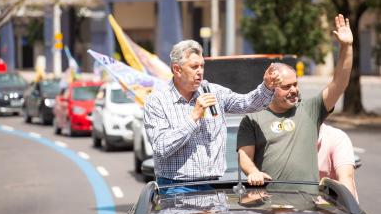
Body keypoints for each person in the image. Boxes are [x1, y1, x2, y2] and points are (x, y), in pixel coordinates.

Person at [143, 39, 282, 194]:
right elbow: (161, 147)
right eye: (194, 67)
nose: (200, 72)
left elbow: (247, 104)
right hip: (175, 187)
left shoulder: (213, 92)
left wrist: (267, 87)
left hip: (215, 185)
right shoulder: (157, 101)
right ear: (177, 69)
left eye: (202, 66)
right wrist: (193, 117)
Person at [237, 14, 353, 190]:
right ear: (272, 87)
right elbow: (245, 156)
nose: (293, 90)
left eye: (295, 84)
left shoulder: (310, 109)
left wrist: (346, 47)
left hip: (307, 208)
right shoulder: (252, 118)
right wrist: (253, 172)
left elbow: (339, 83)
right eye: (286, 86)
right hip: (269, 209)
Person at [318, 123, 358, 201]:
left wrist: (347, 212)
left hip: (334, 208)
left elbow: (346, 178)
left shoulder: (337, 137)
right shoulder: (288, 137)